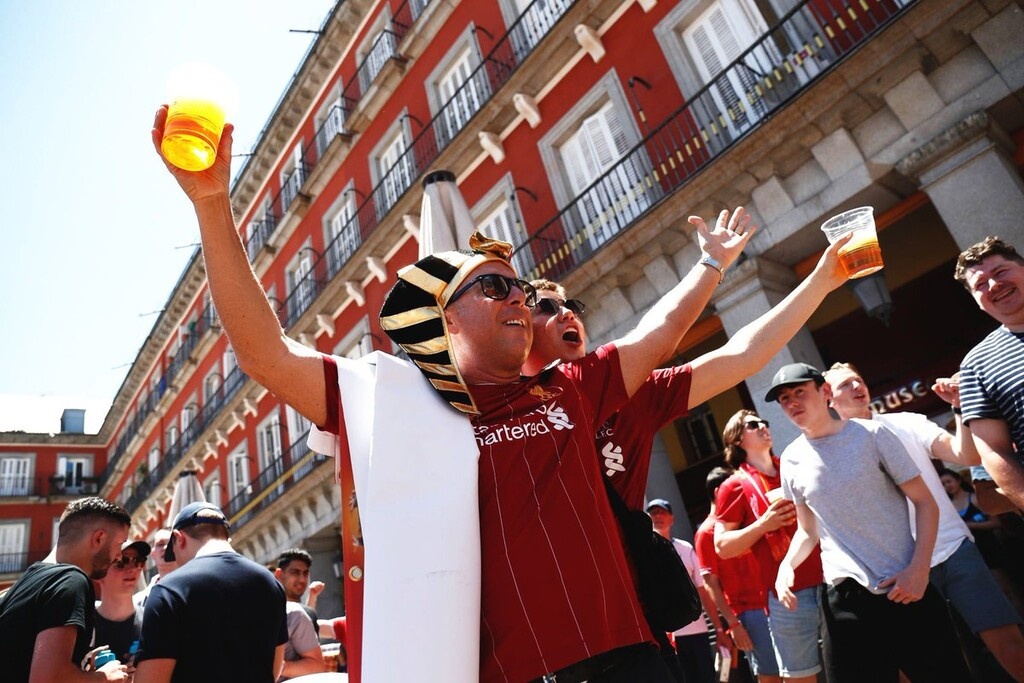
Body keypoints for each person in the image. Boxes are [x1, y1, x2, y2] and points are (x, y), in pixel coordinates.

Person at [152, 107, 753, 683]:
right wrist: (212, 206)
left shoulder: (569, 387)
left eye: (519, 288)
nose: (518, 297)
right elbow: (267, 356)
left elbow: (662, 334)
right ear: (448, 320)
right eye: (495, 287)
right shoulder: (398, 402)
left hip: (635, 662)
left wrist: (712, 265)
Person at [768, 363, 970, 682]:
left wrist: (919, 570)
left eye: (798, 392)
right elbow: (808, 531)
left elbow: (925, 502)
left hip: (905, 587)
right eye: (783, 399)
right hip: (843, 595)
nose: (792, 402)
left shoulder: (873, 435)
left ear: (823, 392)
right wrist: (787, 566)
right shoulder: (791, 459)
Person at [825, 363, 1024, 680]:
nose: (855, 386)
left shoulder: (906, 422)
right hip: (898, 569)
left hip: (953, 549)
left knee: (1009, 645)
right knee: (936, 668)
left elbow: (966, 455)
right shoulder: (829, 452)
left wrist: (959, 408)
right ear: (828, 399)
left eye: (857, 380)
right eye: (844, 385)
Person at [714, 410, 823, 683]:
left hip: (832, 579)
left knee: (860, 666)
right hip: (787, 596)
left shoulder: (794, 466)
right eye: (753, 425)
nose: (763, 426)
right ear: (737, 439)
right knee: (800, 678)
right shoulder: (733, 485)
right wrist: (762, 525)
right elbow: (722, 546)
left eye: (765, 421)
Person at [133, 502, 288, 683]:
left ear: (178, 538)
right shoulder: (271, 583)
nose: (177, 563)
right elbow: (274, 668)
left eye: (173, 553)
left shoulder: (169, 590)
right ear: (225, 535)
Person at [0, 497, 131, 683]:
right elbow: (48, 679)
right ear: (99, 538)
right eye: (120, 544)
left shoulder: (25, 583)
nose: (119, 556)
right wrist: (104, 677)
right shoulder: (71, 580)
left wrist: (79, 668)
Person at [953, 236, 1024, 511]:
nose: (994, 285)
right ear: (977, 301)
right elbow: (994, 451)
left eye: (1000, 272)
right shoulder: (976, 366)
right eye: (980, 285)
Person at [694, 467, 769, 683]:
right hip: (748, 613)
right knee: (770, 675)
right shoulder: (706, 533)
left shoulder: (740, 522)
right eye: (733, 489)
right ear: (719, 492)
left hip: (771, 603)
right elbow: (710, 583)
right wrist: (732, 625)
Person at [647, 499, 718, 683]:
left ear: (672, 518)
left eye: (662, 512)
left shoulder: (686, 548)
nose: (657, 516)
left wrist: (719, 628)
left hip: (697, 633)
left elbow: (702, 590)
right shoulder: (642, 553)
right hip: (669, 637)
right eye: (653, 513)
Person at [93, 539, 150, 666]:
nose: (132, 569)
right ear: (99, 572)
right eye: (121, 562)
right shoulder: (83, 627)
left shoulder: (152, 622)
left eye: (138, 561)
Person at [274, 549, 325, 679]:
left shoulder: (299, 613)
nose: (302, 579)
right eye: (295, 572)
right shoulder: (271, 611)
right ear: (279, 574)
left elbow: (316, 665)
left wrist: (278, 666)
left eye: (305, 573)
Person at [134, 528, 177, 609]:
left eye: (171, 543)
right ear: (152, 553)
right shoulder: (136, 603)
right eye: (160, 544)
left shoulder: (195, 592)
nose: (166, 547)